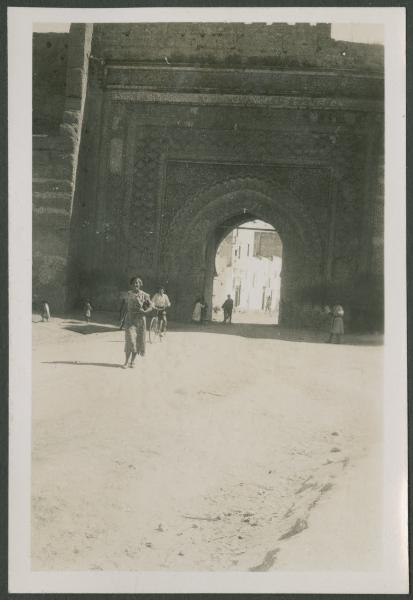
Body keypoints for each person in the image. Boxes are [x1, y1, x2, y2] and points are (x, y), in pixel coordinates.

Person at [123, 277, 153, 368]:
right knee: (130, 340)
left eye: (138, 283)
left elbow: (150, 307)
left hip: (140, 321)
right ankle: (126, 361)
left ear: (140, 284)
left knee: (137, 341)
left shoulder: (145, 295)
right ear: (131, 284)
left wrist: (145, 311)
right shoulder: (128, 294)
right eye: (134, 283)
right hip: (130, 320)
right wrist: (121, 319)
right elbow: (124, 306)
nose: (136, 284)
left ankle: (132, 361)